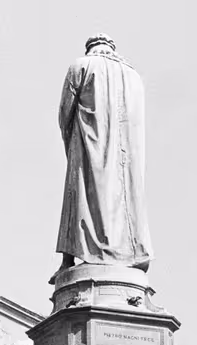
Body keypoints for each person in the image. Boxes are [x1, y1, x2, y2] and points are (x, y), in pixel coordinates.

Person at [55, 34, 153, 275]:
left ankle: (69, 261)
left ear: (90, 49)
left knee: (81, 196)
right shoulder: (134, 77)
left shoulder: (80, 66)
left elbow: (65, 113)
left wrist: (71, 144)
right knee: (125, 200)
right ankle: (133, 252)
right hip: (127, 157)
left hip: (90, 145)